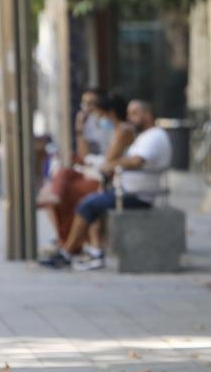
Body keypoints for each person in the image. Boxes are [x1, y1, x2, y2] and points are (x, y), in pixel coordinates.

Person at [40, 100, 169, 271]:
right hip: (125, 190)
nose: (130, 117)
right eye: (129, 113)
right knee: (86, 195)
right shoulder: (143, 136)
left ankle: (68, 253)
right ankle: (91, 251)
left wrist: (111, 165)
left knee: (87, 203)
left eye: (134, 113)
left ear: (148, 115)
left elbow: (136, 161)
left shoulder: (154, 136)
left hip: (137, 195)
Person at [39, 93, 136, 247]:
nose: (97, 117)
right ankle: (66, 241)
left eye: (100, 114)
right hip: (102, 174)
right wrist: (79, 128)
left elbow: (108, 162)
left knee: (68, 193)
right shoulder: (109, 128)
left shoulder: (123, 130)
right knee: (64, 174)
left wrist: (90, 162)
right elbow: (86, 156)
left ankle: (68, 245)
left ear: (110, 112)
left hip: (109, 179)